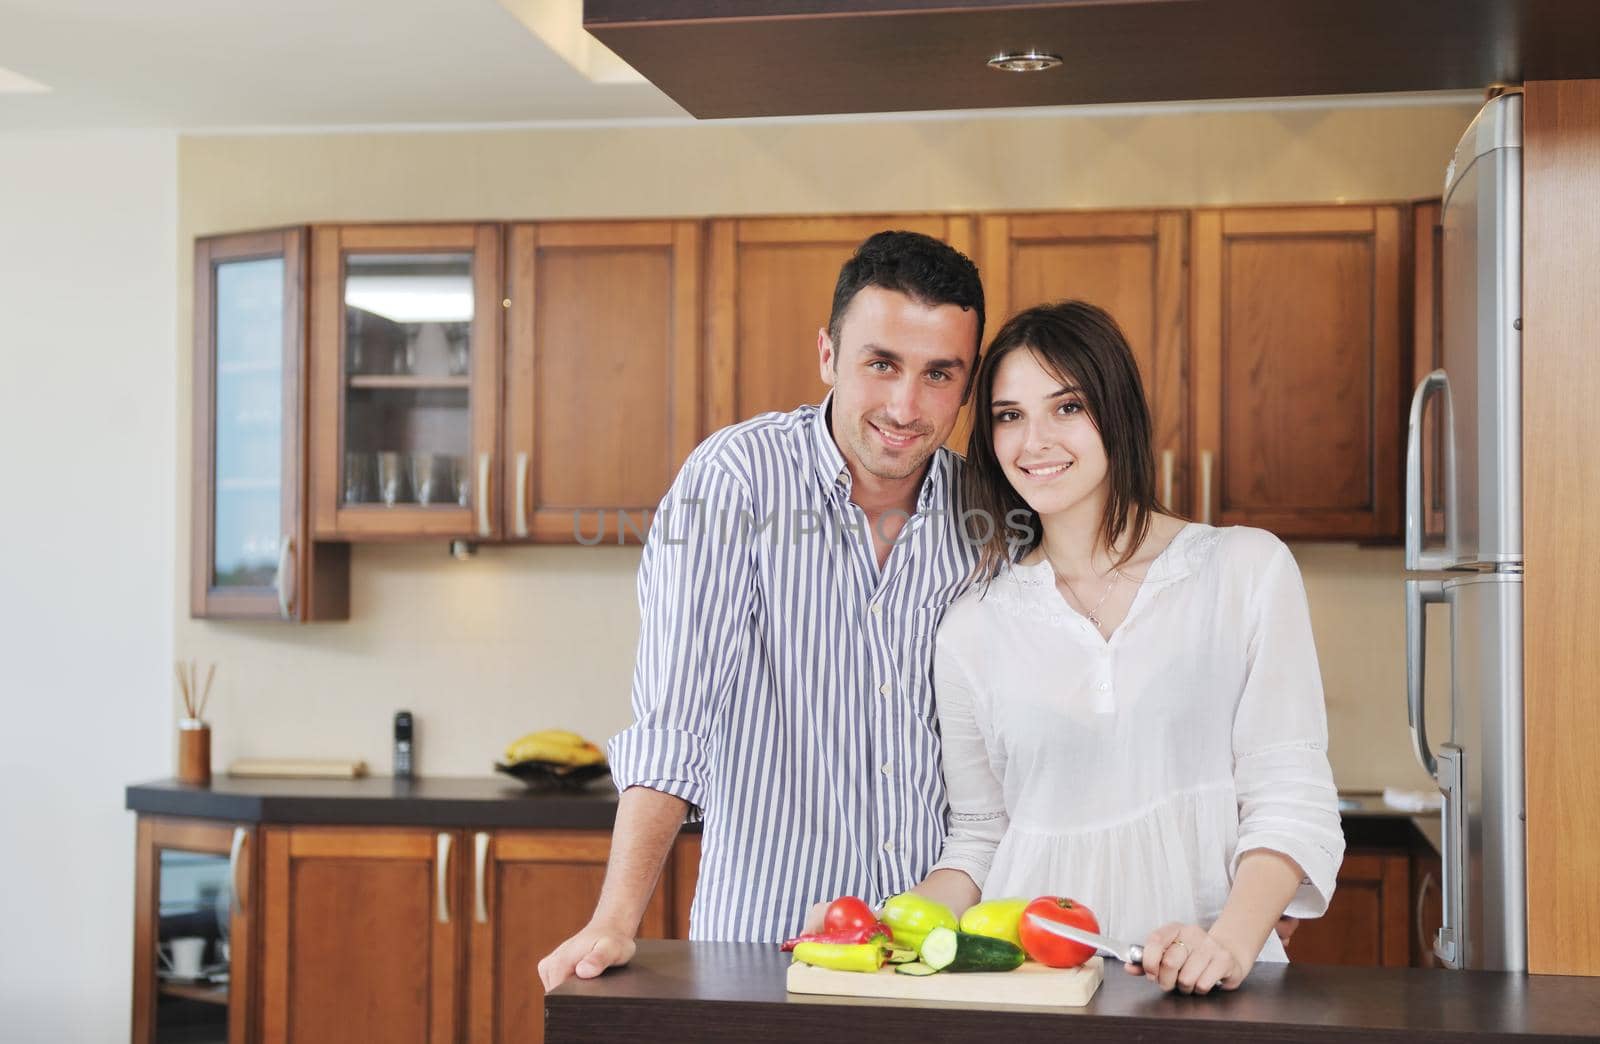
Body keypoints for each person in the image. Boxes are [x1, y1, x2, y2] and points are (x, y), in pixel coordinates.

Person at [538, 231, 986, 991]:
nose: (906, 407)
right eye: (881, 364)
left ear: (967, 385)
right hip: (761, 956)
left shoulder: (986, 514)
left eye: (939, 374)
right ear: (827, 356)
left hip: (937, 958)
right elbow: (676, 718)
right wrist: (616, 918)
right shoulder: (735, 482)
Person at [908, 300, 1344, 995]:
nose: (1034, 440)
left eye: (1068, 407)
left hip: (1213, 988)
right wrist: (885, 926)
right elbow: (980, 837)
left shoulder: (1243, 571)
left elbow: (1290, 798)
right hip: (1027, 994)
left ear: (1118, 413)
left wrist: (1227, 944)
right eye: (1009, 415)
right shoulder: (972, 628)